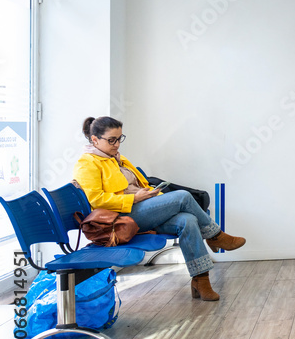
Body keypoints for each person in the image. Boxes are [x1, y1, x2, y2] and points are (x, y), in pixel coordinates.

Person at [72, 116, 245, 301]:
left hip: (139, 209)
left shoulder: (115, 159)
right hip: (121, 219)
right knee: (183, 196)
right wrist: (134, 197)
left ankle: (201, 280)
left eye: (119, 138)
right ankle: (215, 236)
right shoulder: (88, 163)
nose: (116, 144)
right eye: (111, 140)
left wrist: (147, 194)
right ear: (94, 140)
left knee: (188, 220)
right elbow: (95, 200)